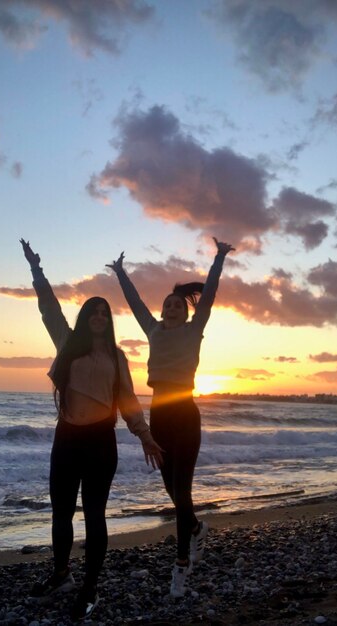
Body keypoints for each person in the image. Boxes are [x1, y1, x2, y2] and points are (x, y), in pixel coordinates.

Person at [20, 239, 163, 622]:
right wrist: (37, 270)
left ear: (109, 320)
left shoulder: (118, 357)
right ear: (85, 317)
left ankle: (90, 587)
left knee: (95, 515)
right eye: (94, 311)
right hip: (66, 438)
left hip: (101, 441)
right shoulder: (67, 343)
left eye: (105, 312)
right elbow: (48, 308)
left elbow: (129, 400)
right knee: (61, 512)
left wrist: (145, 435)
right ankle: (61, 575)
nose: (100, 316)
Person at [107, 237, 234, 598]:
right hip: (159, 415)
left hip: (186, 415)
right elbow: (134, 304)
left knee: (182, 490)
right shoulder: (153, 330)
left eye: (177, 304)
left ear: (186, 311)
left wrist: (219, 258)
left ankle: (181, 565)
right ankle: (196, 529)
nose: (171, 308)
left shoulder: (194, 331)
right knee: (171, 490)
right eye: (167, 304)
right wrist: (120, 273)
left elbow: (207, 296)